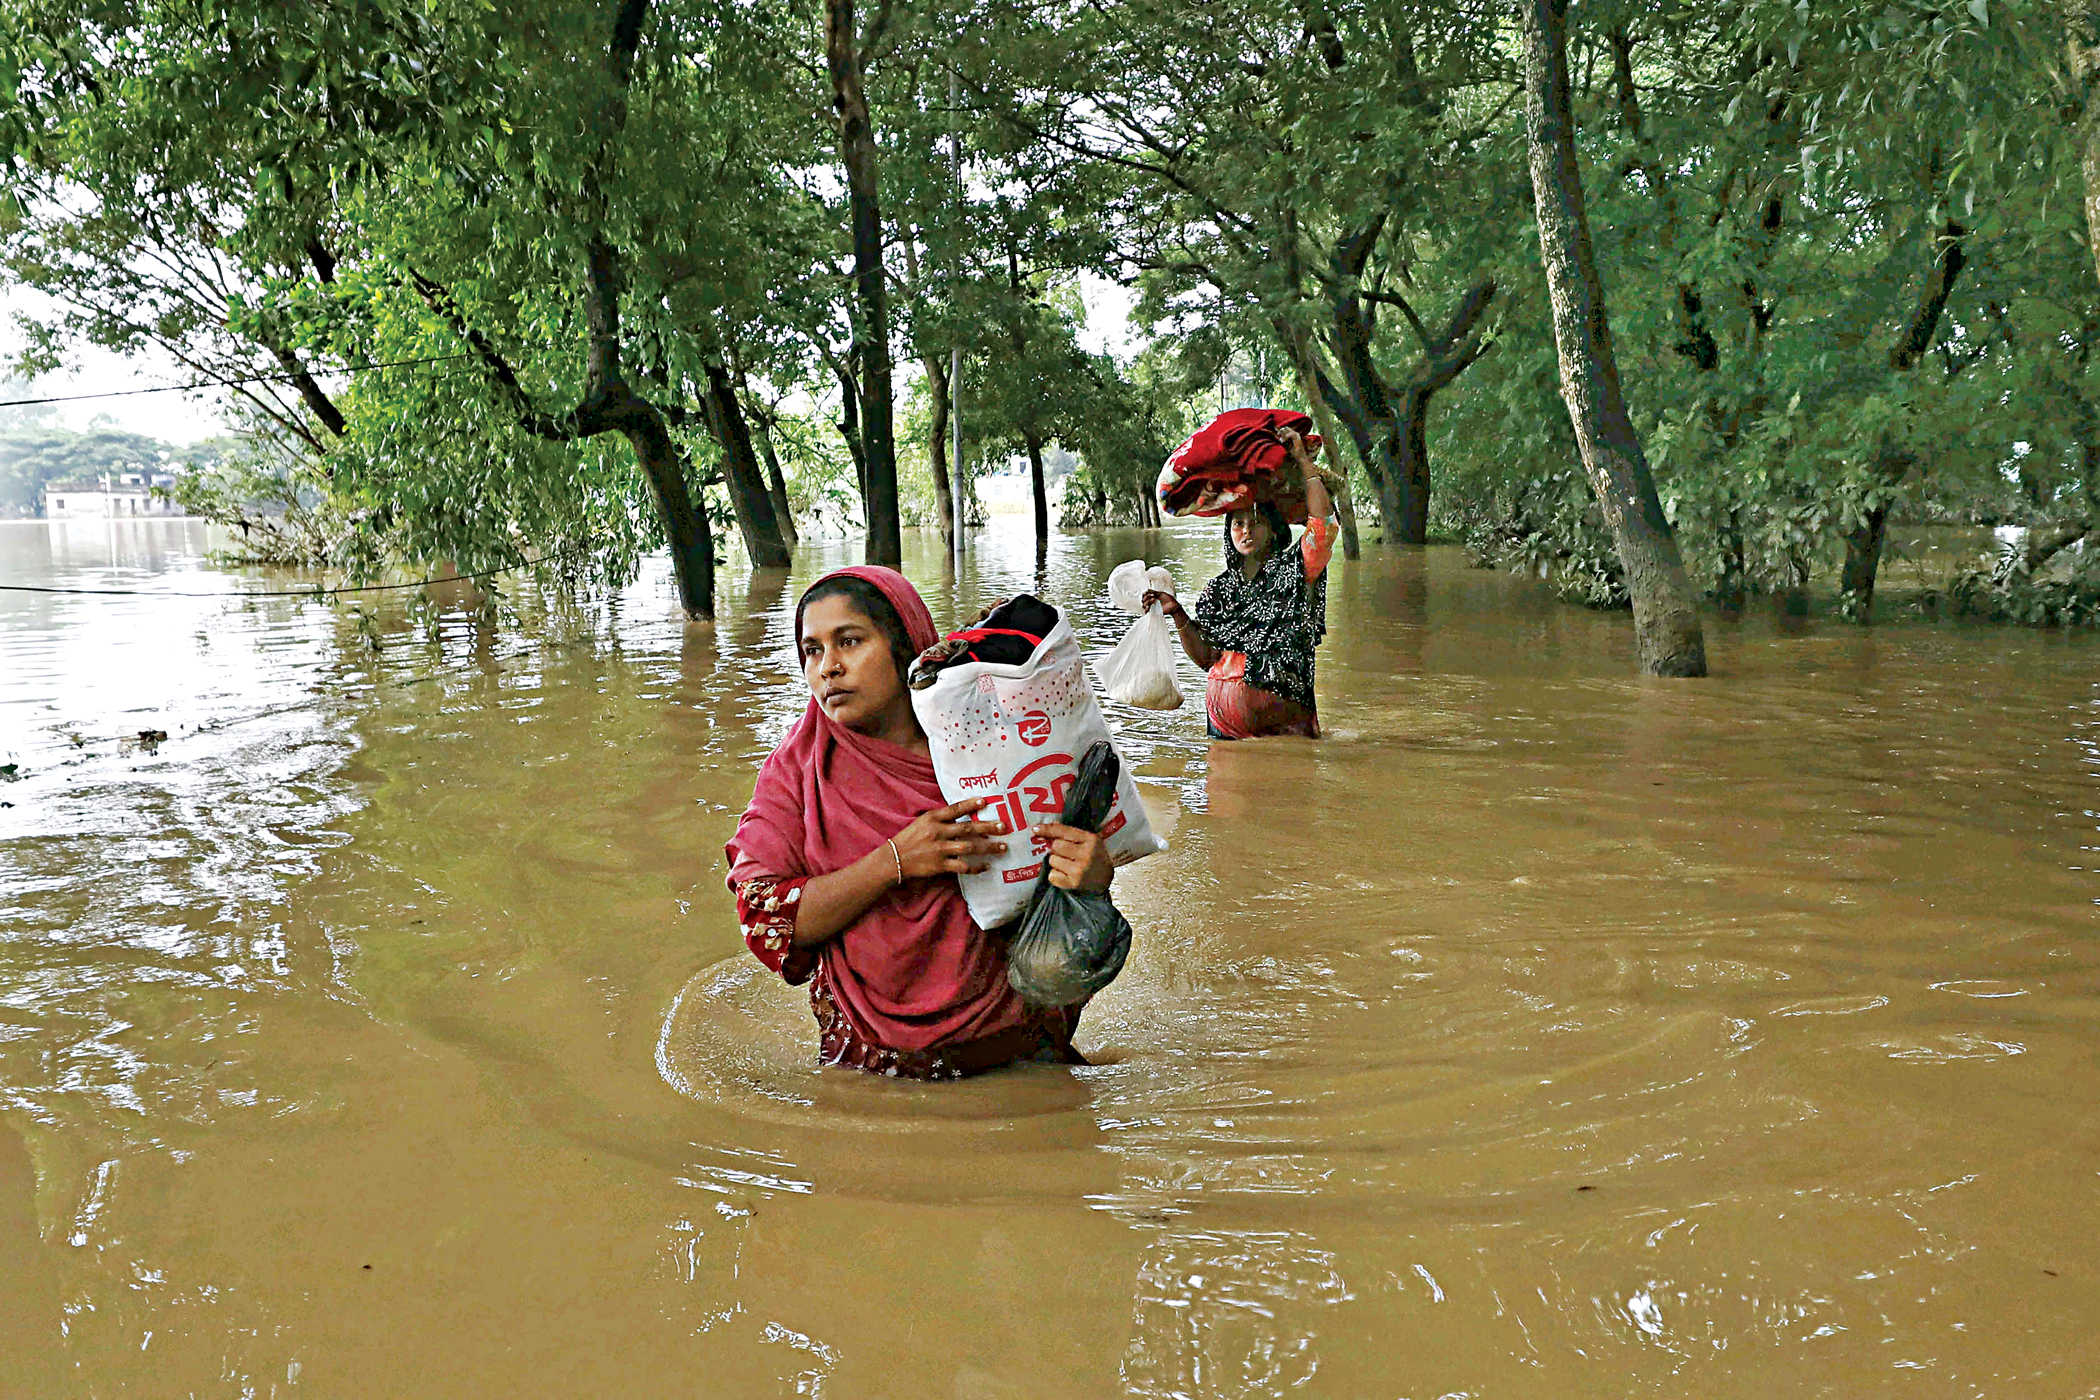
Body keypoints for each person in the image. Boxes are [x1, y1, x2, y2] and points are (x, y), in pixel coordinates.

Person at [724, 566, 1115, 1080]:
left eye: (849, 641)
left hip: (1022, 1052)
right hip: (868, 1066)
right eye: (812, 650)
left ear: (905, 644)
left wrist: (1093, 878)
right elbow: (765, 918)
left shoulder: (998, 745)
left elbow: (1069, 904)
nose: (828, 668)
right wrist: (896, 861)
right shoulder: (797, 772)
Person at [1145, 426, 1335, 739]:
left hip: (1283, 728)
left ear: (1274, 529)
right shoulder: (1217, 590)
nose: (1245, 531)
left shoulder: (1297, 569)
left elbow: (1324, 528)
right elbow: (1208, 659)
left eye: (1256, 521)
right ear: (1228, 532)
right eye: (1238, 524)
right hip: (1223, 730)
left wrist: (1302, 461)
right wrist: (1178, 614)